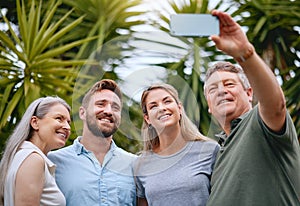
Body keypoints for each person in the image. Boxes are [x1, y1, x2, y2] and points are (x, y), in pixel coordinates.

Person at [204, 10, 300, 206]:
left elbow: (275, 105)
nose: (221, 91)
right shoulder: (218, 152)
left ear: (249, 93)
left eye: (230, 84)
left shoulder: (259, 122)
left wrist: (245, 54)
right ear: (209, 107)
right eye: (213, 89)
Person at [48, 79, 137, 206]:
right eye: (101, 104)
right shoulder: (52, 162)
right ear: (82, 113)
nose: (108, 111)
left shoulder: (134, 164)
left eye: (115, 107)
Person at [134, 83, 220, 206]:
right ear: (147, 119)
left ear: (179, 108)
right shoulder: (141, 165)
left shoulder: (209, 150)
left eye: (167, 101)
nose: (161, 108)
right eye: (153, 106)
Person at [0, 96, 71, 206]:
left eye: (68, 122)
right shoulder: (33, 159)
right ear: (35, 122)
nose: (67, 127)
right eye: (59, 118)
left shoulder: (23, 156)